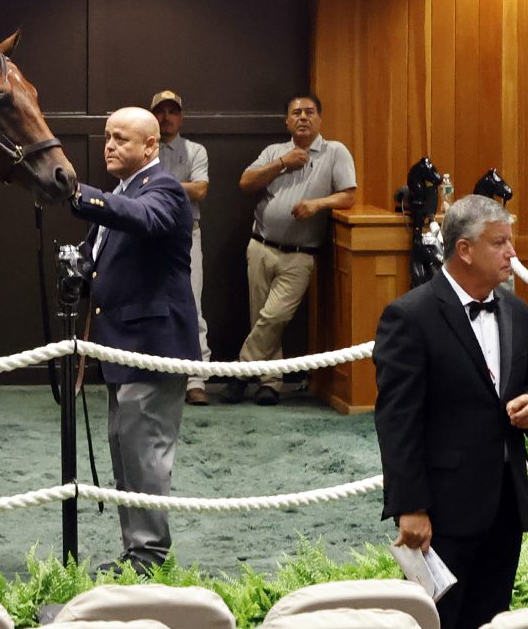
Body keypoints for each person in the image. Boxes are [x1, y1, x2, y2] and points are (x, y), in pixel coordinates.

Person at [374, 195, 528, 629]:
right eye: (499, 243)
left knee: (493, 620)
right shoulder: (409, 316)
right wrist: (409, 506)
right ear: (464, 250)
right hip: (443, 513)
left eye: (510, 242)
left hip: (506, 506)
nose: (512, 254)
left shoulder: (517, 312)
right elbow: (397, 420)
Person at [70, 106, 200, 573]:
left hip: (153, 350)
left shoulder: (163, 189)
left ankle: (148, 557)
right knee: (126, 453)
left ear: (150, 147)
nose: (109, 145)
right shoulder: (119, 194)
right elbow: (99, 254)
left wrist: (76, 193)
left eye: (121, 138)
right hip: (121, 347)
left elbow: (142, 219)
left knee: (145, 457)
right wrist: (81, 267)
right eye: (107, 136)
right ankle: (136, 553)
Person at [227, 93, 356, 406]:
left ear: (319, 120)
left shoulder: (335, 151)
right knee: (261, 317)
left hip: (300, 253)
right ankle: (270, 383)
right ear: (287, 121)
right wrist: (283, 162)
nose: (303, 117)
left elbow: (348, 195)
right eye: (296, 112)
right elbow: (246, 183)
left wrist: (317, 204)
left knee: (274, 317)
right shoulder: (275, 151)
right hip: (261, 246)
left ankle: (240, 372)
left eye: (309, 112)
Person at [151, 90, 214, 406]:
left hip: (187, 235)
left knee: (192, 306)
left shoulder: (195, 150)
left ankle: (195, 379)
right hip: (148, 236)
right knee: (149, 305)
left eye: (172, 111)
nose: (166, 117)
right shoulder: (143, 146)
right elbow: (133, 187)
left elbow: (200, 190)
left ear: (181, 116)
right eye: (160, 111)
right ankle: (156, 376)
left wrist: (159, 185)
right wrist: (178, 187)